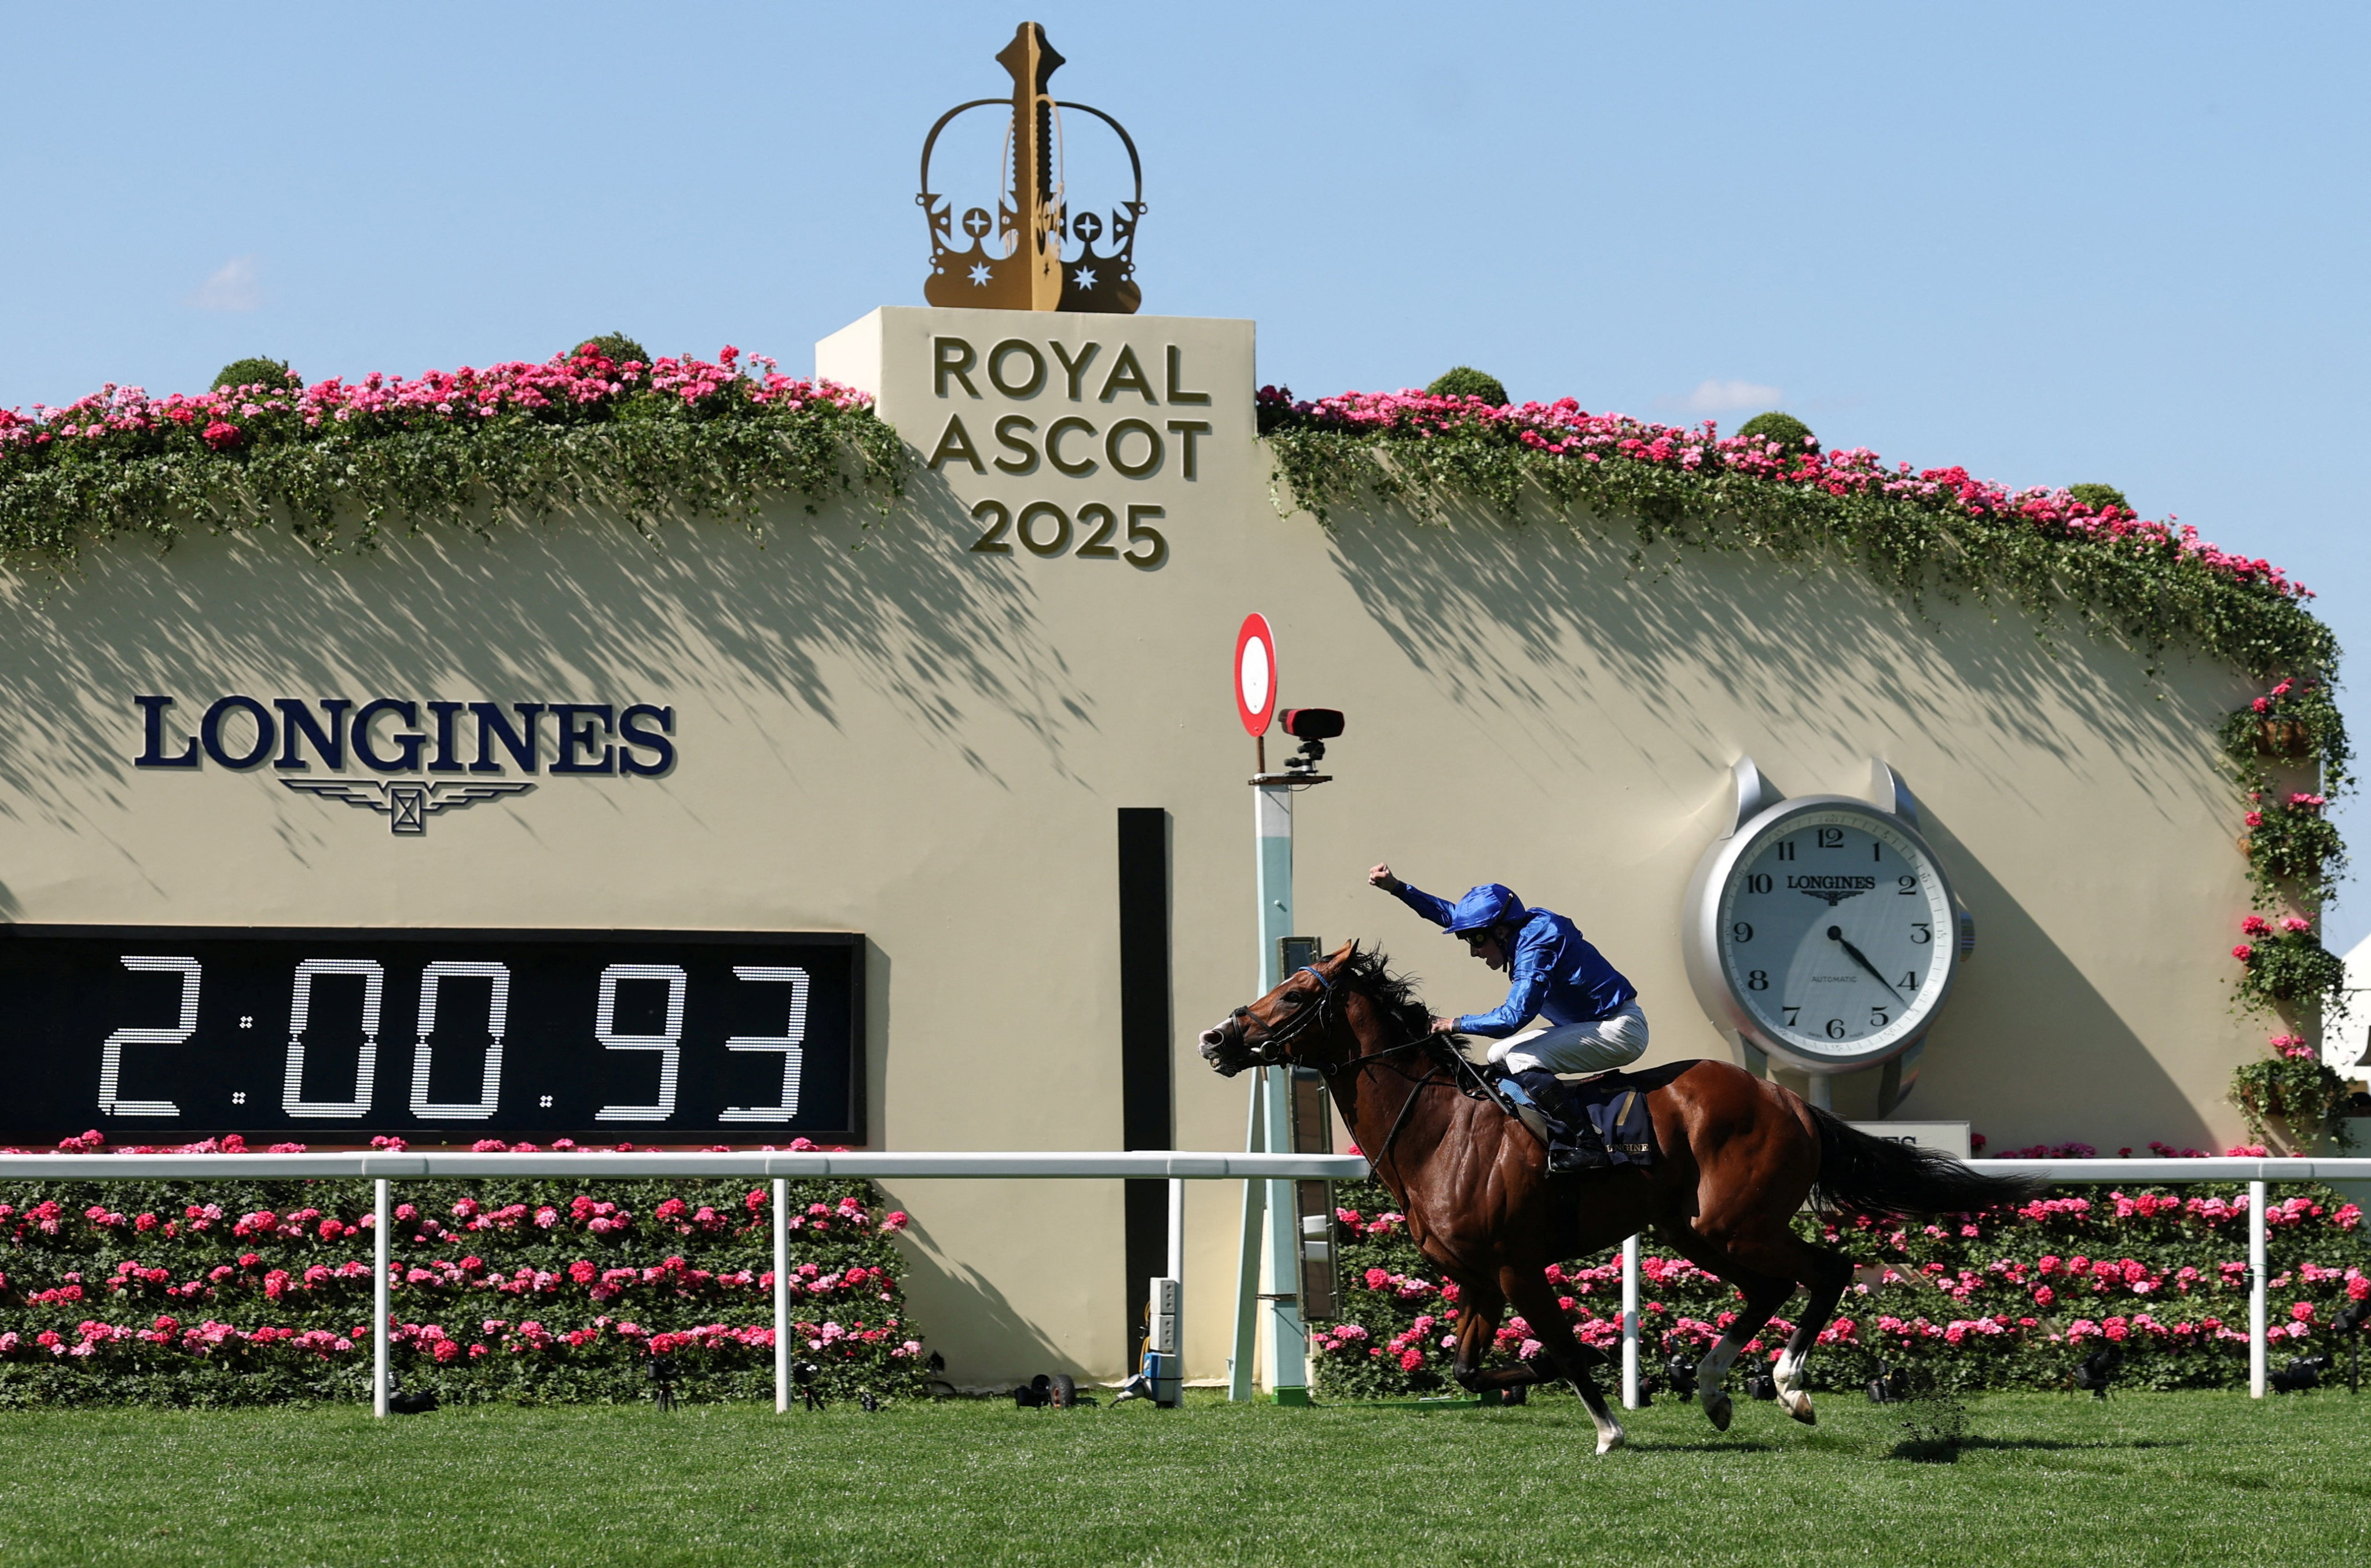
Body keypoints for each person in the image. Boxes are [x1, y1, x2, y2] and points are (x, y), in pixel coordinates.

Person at [1368, 864, 1647, 1171]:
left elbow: (1512, 1019)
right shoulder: (1516, 929)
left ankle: (1587, 1145)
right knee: (1498, 1054)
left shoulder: (1537, 948)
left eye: (1477, 941)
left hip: (1619, 1029)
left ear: (1501, 932)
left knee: (1521, 1058)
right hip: (1591, 1025)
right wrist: (1397, 888)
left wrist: (1456, 1024)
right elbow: (1451, 916)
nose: (1475, 953)